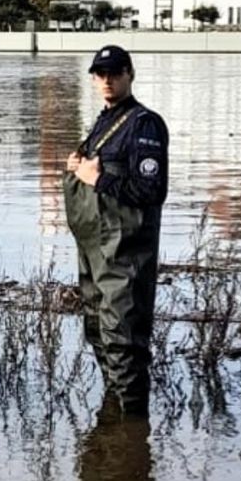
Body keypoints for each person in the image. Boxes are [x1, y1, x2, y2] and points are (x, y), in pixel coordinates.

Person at [63, 45, 168, 417]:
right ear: (93, 78)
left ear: (129, 75)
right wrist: (78, 167)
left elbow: (151, 190)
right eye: (101, 73)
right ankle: (118, 432)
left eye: (116, 72)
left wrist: (99, 178)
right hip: (96, 253)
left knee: (123, 339)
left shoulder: (144, 124)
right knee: (98, 332)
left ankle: (134, 424)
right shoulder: (103, 122)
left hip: (126, 254)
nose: (108, 80)